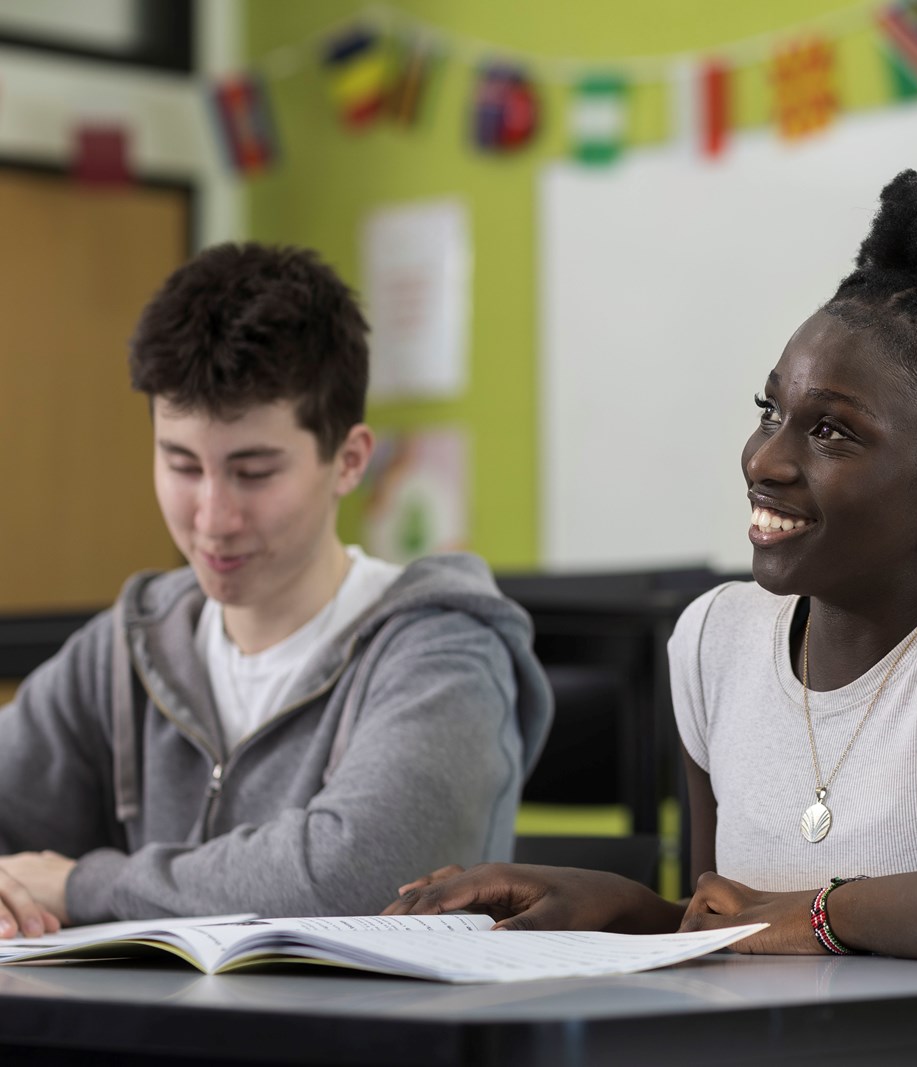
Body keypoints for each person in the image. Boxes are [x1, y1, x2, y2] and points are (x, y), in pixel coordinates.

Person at [385, 170, 917, 965]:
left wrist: (824, 914)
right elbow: (741, 933)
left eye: (832, 432)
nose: (765, 458)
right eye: (772, 410)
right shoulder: (715, 637)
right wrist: (626, 912)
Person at [0, 243, 552, 937]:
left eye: (253, 471)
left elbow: (357, 874)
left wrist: (86, 883)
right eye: (181, 464)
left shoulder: (444, 648)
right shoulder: (124, 647)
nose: (211, 517)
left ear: (349, 460)